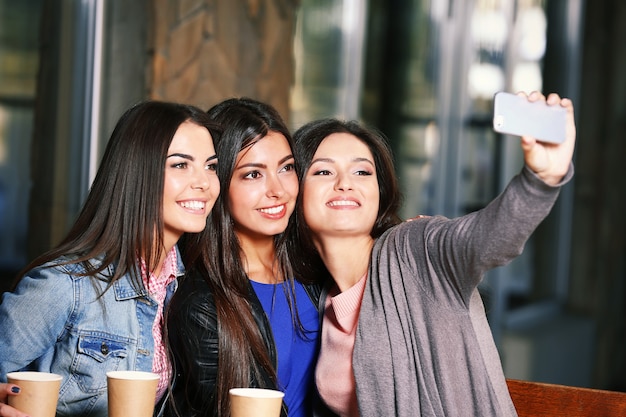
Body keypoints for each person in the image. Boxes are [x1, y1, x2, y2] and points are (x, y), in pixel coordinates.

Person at [292, 91, 576, 417]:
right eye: (323, 172)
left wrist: (541, 180)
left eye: (362, 172)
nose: (345, 183)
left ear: (379, 194)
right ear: (296, 191)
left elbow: (487, 237)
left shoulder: (414, 249)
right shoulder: (325, 300)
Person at [0, 100, 221, 417]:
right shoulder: (68, 285)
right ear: (138, 172)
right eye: (180, 165)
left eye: (211, 166)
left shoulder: (184, 286)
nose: (204, 183)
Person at [164, 97, 322, 417]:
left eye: (286, 168)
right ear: (219, 182)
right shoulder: (201, 302)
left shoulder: (317, 271)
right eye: (253, 174)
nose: (277, 190)